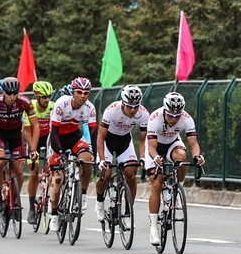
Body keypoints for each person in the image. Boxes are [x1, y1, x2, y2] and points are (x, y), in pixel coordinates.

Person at [145, 92, 204, 245]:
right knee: (157, 184)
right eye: (170, 115)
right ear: (165, 110)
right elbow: (151, 147)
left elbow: (193, 143)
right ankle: (153, 228)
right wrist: (156, 157)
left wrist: (197, 156)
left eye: (177, 116)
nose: (174, 119)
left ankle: (178, 188)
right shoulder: (154, 118)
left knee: (182, 158)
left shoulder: (186, 118)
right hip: (154, 147)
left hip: (172, 143)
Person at [48, 77, 97, 232]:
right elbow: (54, 132)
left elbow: (93, 134)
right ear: (73, 92)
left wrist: (94, 153)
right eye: (79, 92)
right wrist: (61, 153)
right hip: (57, 139)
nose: (82, 96)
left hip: (74, 137)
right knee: (57, 178)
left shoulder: (90, 108)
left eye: (86, 93)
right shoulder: (61, 104)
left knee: (87, 160)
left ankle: (82, 194)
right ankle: (54, 213)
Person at [0, 77, 38, 212]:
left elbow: (35, 126)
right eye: (9, 94)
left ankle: (16, 198)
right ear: (3, 92)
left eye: (15, 93)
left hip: (15, 134)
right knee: (0, 162)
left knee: (18, 169)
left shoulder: (25, 102)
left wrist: (33, 149)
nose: (12, 97)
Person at [94, 85, 148, 222]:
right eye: (129, 106)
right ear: (123, 103)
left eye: (136, 106)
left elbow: (143, 140)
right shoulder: (111, 110)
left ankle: (128, 213)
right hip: (107, 141)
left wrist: (143, 157)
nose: (133, 110)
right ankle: (99, 201)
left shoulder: (143, 114)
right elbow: (100, 137)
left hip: (124, 142)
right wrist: (102, 159)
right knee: (105, 174)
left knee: (131, 173)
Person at [26, 81, 55, 224]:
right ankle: (31, 207)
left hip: (48, 140)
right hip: (33, 141)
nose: (47, 100)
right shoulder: (29, 107)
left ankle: (51, 200)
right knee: (33, 173)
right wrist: (32, 148)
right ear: (37, 96)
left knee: (55, 171)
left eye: (49, 96)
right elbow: (26, 131)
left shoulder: (53, 107)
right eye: (44, 97)